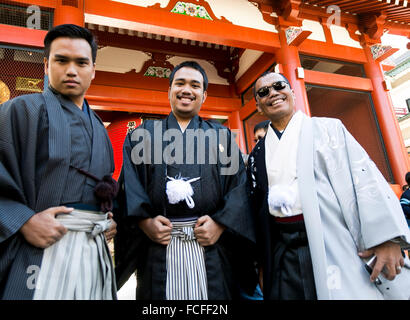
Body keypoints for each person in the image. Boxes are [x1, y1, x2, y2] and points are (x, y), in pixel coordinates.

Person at [0, 24, 118, 300]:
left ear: (93, 69)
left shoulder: (100, 130)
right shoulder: (16, 113)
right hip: (35, 248)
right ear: (46, 65)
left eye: (81, 62)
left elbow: (102, 186)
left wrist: (106, 217)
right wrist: (23, 221)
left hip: (89, 247)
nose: (71, 70)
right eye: (61, 60)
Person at [247, 71, 410, 300]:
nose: (273, 93)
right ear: (259, 106)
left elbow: (364, 179)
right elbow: (256, 210)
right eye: (264, 92)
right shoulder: (257, 154)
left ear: (292, 92)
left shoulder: (329, 129)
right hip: (282, 247)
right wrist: (263, 263)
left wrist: (386, 238)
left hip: (333, 235)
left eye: (279, 86)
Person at [114, 60, 257, 300]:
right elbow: (129, 185)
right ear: (169, 91)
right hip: (158, 243)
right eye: (179, 83)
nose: (187, 90)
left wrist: (220, 224)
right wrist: (144, 223)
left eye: (195, 85)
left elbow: (239, 187)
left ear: (204, 95)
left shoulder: (221, 135)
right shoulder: (143, 135)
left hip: (211, 243)